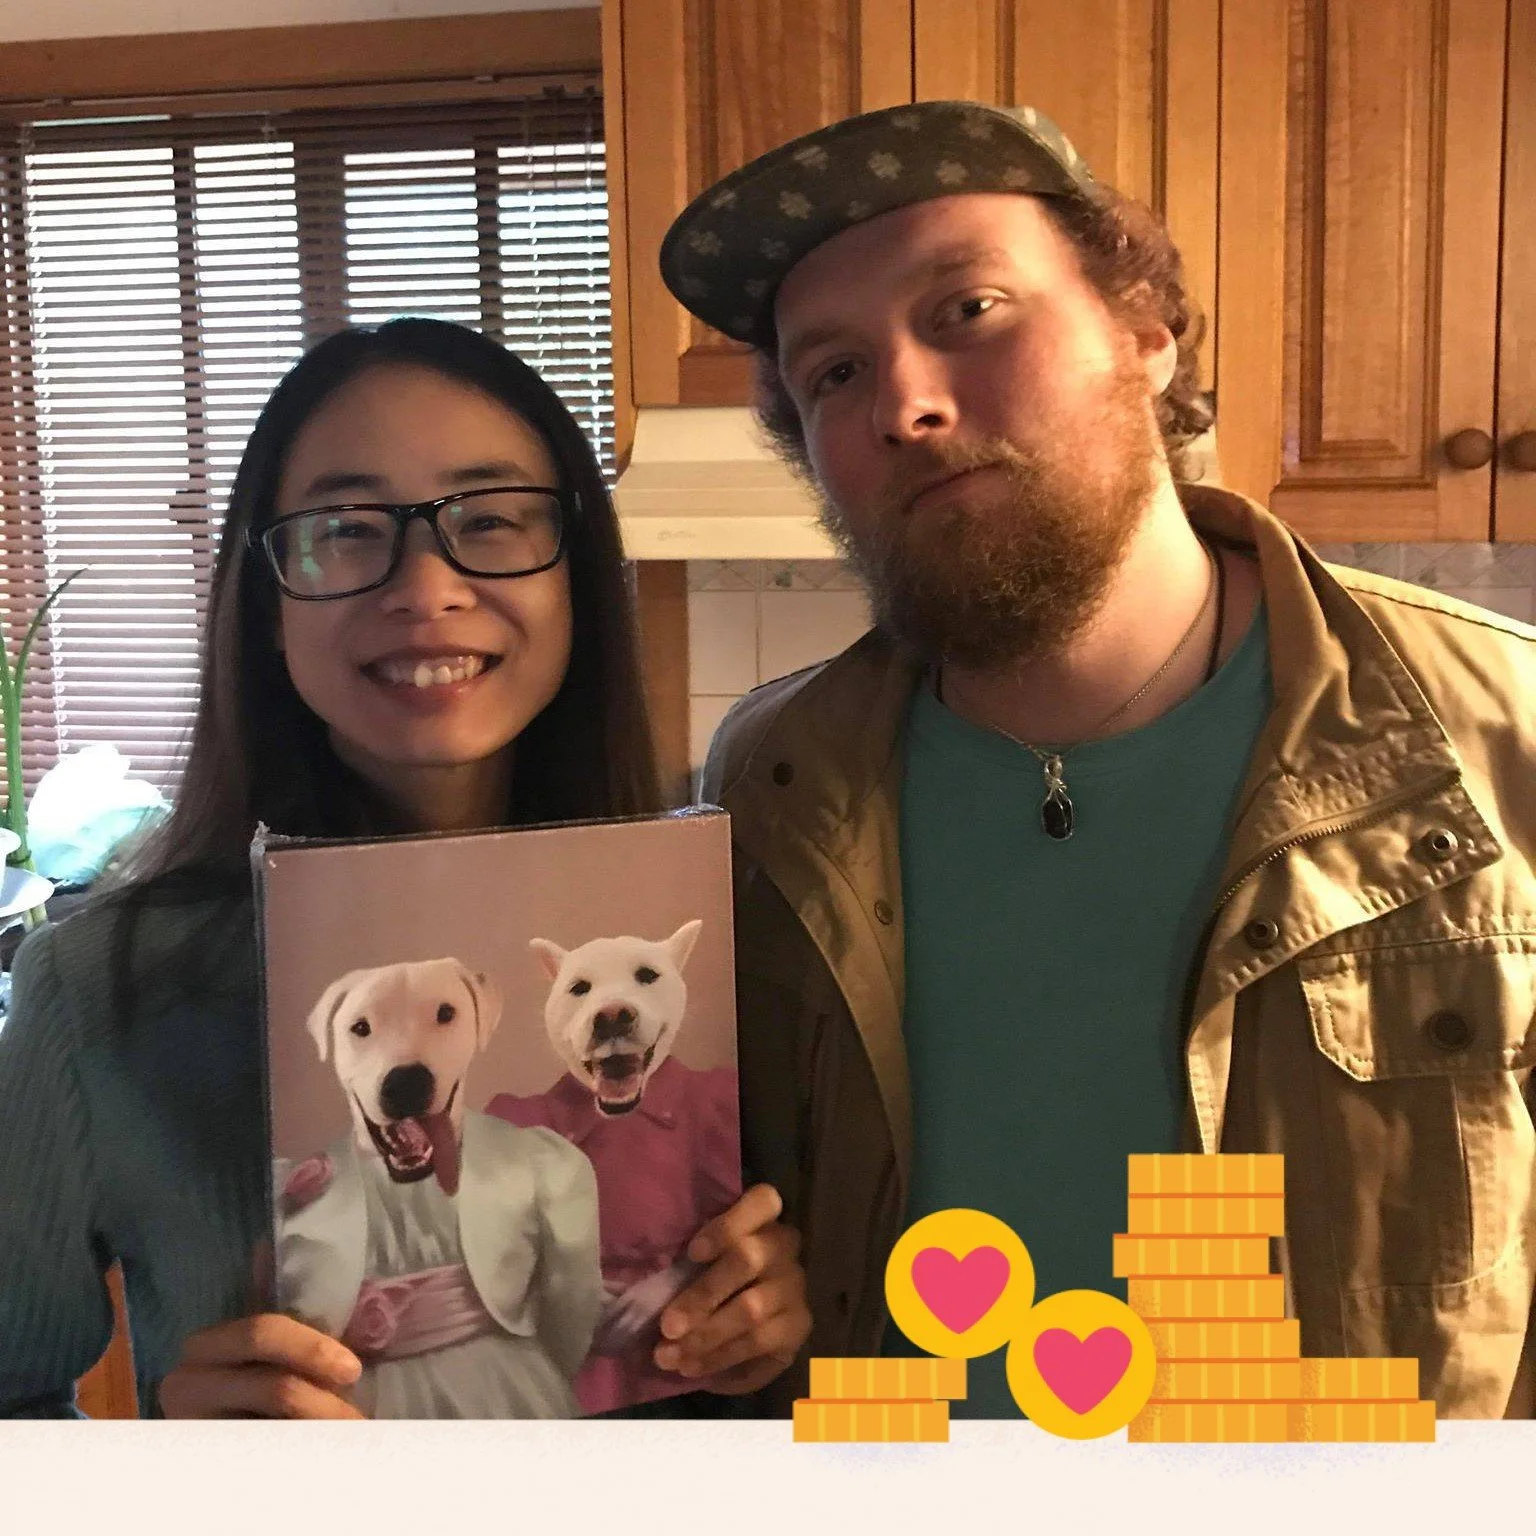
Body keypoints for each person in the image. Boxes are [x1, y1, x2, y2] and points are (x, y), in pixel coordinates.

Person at [660, 100, 1536, 1418]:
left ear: (1142, 335)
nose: (905, 402)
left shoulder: (1496, 738)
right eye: (832, 372)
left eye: (968, 311)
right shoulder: (773, 784)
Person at [0, 317, 810, 1418]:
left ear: (576, 571)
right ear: (270, 599)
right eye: (344, 528)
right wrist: (164, 1469)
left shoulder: (721, 940)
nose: (425, 587)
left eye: (490, 519)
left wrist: (776, 1332)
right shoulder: (99, 993)